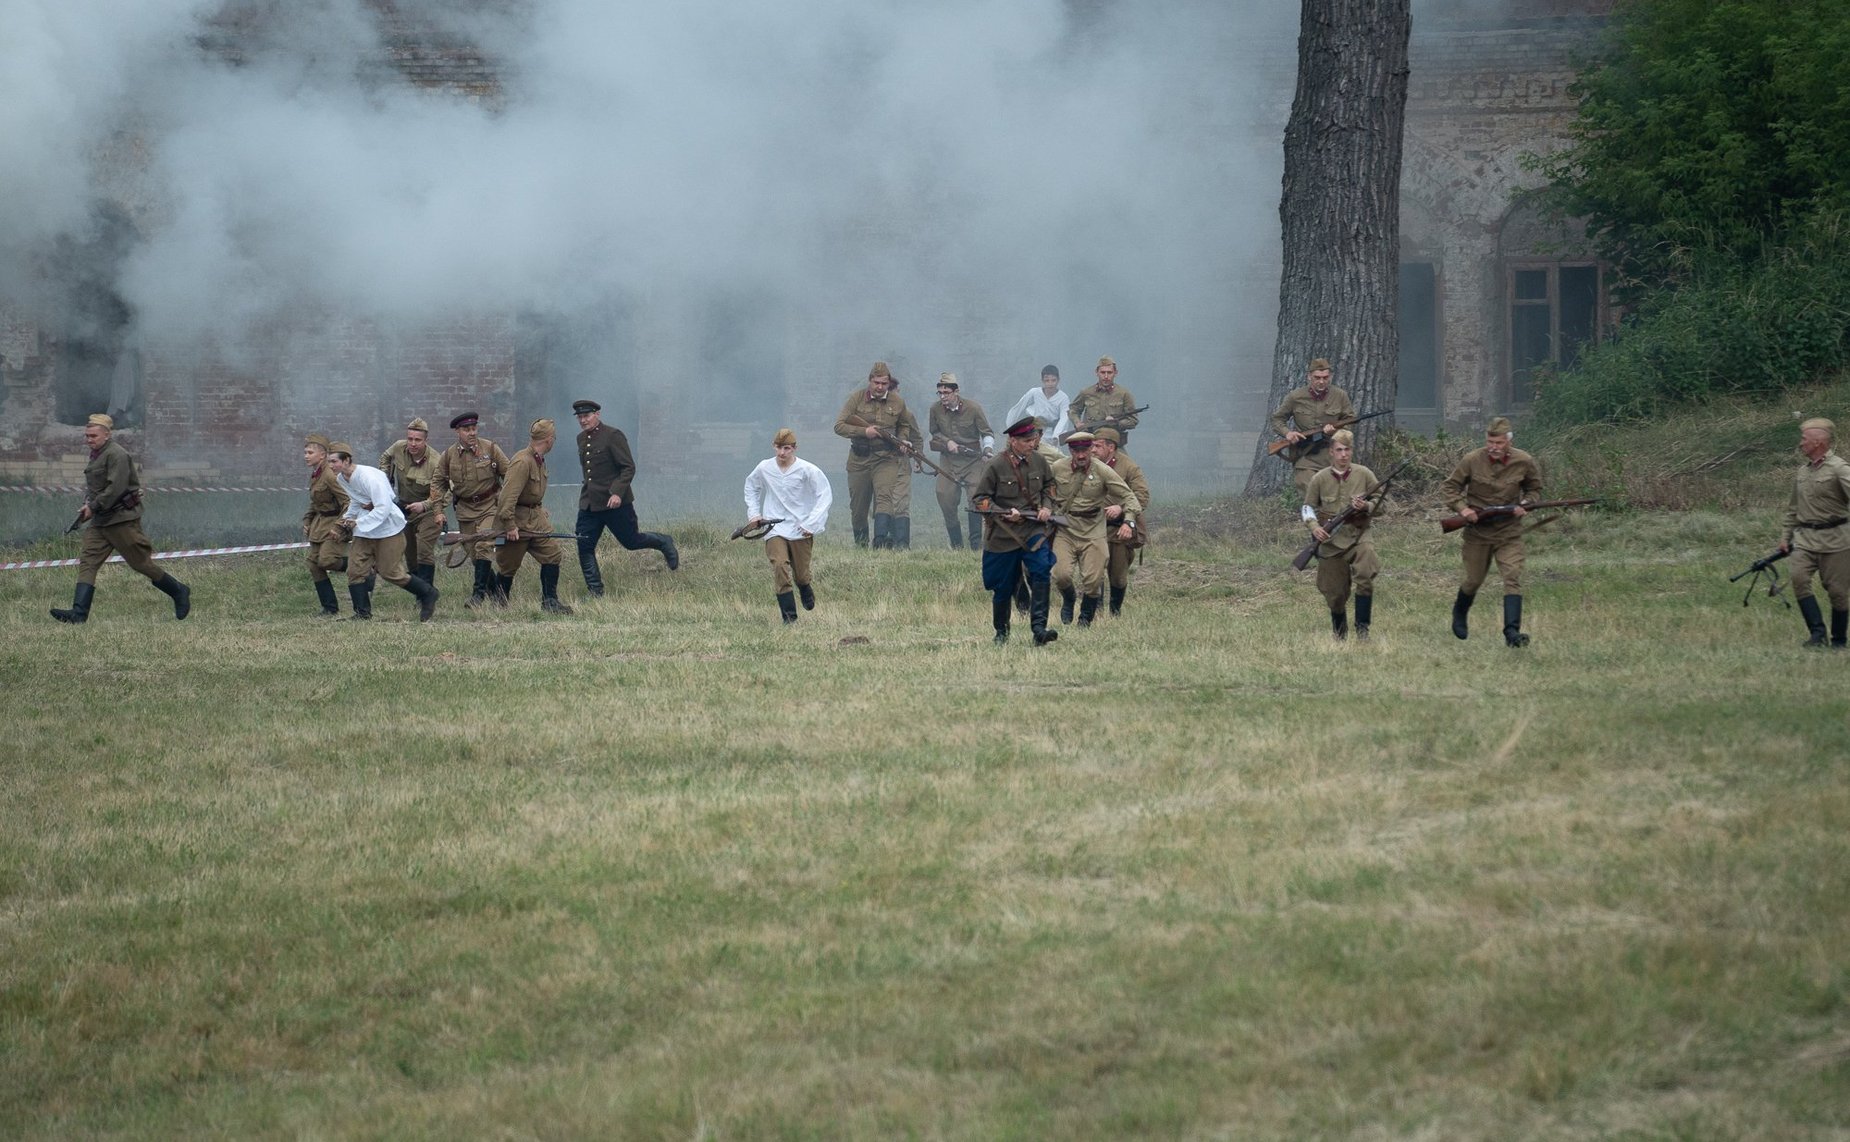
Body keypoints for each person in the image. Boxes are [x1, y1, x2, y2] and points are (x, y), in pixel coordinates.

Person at [49, 413, 191, 624]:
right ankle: (79, 614)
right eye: (87, 435)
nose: (89, 440)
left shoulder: (117, 455)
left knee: (140, 564)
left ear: (107, 435)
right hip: (101, 521)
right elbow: (97, 486)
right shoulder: (97, 454)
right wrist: (88, 505)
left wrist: (93, 506)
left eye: (93, 436)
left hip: (121, 521)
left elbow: (115, 488)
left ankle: (178, 590)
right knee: (88, 562)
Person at [1439, 415, 1543, 647]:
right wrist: (1463, 510)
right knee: (1473, 580)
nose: (1494, 447)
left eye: (1499, 443)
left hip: (1509, 532)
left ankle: (1512, 633)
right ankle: (1459, 613)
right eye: (1490, 442)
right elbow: (1450, 487)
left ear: (1509, 441)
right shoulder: (1472, 459)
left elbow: (1534, 489)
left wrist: (1525, 504)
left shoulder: (1524, 460)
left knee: (1512, 577)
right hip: (1478, 533)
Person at [571, 398, 680, 597]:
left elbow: (628, 467)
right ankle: (595, 591)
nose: (583, 421)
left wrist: (617, 492)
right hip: (589, 504)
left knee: (631, 541)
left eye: (586, 416)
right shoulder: (581, 439)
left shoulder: (613, 435)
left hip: (615, 503)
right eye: (579, 417)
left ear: (597, 415)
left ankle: (663, 541)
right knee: (584, 545)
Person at [972, 416, 1060, 645]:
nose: (1033, 443)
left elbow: (1050, 487)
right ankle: (1002, 632)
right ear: (1013, 441)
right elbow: (979, 500)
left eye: (1034, 439)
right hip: (1003, 536)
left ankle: (1039, 629)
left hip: (1033, 530)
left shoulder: (1040, 461)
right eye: (1028, 440)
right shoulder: (995, 465)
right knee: (1002, 586)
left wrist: (1046, 507)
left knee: (1042, 570)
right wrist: (1002, 512)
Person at [326, 443, 439, 621]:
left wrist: (357, 522)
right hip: (364, 532)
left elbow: (384, 508)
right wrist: (344, 522)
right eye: (329, 462)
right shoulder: (341, 478)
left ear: (346, 460)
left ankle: (428, 593)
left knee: (390, 572)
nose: (331, 466)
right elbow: (356, 501)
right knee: (355, 570)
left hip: (388, 530)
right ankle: (362, 613)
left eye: (334, 461)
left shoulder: (369, 477)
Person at [1047, 431, 1140, 627]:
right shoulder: (1057, 468)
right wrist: (1046, 508)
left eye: (1085, 450)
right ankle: (1069, 599)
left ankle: (1085, 619)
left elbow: (1130, 497)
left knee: (1093, 579)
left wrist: (1128, 520)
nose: (1081, 455)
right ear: (1070, 450)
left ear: (1091, 449)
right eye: (1076, 450)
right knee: (1060, 574)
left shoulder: (1102, 470)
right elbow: (1043, 491)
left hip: (1094, 530)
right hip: (1066, 528)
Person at [744, 428, 834, 623]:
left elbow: (824, 495)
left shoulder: (808, 470)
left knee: (801, 575)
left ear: (794, 448)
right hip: (774, 527)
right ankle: (789, 617)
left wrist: (812, 522)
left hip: (800, 528)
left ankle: (804, 587)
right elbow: (751, 487)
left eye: (786, 448)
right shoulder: (764, 467)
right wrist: (754, 514)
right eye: (778, 447)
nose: (781, 453)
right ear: (773, 447)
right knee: (779, 565)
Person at [833, 361, 923, 549]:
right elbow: (839, 426)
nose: (880, 387)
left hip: (886, 458)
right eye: (877, 383)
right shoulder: (855, 399)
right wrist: (864, 432)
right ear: (870, 381)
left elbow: (905, 424)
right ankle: (862, 545)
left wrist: (903, 440)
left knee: (885, 498)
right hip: (860, 459)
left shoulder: (897, 401)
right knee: (858, 509)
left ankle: (880, 543)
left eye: (884, 383)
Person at [1777, 417, 1850, 648]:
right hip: (1806, 539)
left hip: (1836, 540)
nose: (1800, 443)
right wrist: (1785, 538)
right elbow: (1793, 509)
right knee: (1799, 579)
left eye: (1804, 439)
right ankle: (1817, 634)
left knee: (1838, 593)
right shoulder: (1802, 472)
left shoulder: (1839, 468)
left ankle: (1839, 640)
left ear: (1818, 442)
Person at [1301, 429, 1380, 640]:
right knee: (1334, 595)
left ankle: (1362, 630)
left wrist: (1366, 506)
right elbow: (1307, 507)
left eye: (1347, 449)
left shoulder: (1364, 474)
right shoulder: (1319, 479)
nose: (1343, 454)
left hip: (1358, 535)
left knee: (1365, 574)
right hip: (1330, 542)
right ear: (1331, 453)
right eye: (1339, 450)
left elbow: (1383, 504)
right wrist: (1314, 527)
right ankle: (1340, 632)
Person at [494, 418, 573, 614]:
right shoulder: (523, 461)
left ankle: (550, 602)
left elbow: (530, 491)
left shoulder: (537, 460)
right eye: (553, 438)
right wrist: (510, 525)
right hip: (517, 524)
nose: (553, 441)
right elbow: (507, 498)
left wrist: (538, 508)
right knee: (508, 566)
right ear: (548, 439)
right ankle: (498, 604)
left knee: (552, 554)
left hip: (534, 521)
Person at [434, 411, 509, 607]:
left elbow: (510, 475)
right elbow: (437, 484)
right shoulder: (449, 455)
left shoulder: (491, 449)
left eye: (474, 428)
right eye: (467, 429)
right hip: (465, 510)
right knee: (474, 555)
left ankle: (478, 596)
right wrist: (438, 510)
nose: (472, 432)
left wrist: (508, 503)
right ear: (458, 431)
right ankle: (499, 595)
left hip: (490, 507)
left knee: (483, 545)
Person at [1269, 358, 1357, 496]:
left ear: (1330, 377)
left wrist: (1336, 432)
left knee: (1338, 492)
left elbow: (1349, 424)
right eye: (1317, 377)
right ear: (1309, 376)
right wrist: (1288, 434)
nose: (1321, 381)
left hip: (1333, 454)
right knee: (1309, 488)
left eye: (1325, 377)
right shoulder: (1295, 396)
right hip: (1306, 454)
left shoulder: (1340, 396)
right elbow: (1277, 419)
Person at [927, 373, 994, 550]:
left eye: (946, 392)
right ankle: (957, 544)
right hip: (949, 460)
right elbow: (934, 432)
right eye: (939, 393)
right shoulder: (935, 409)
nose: (942, 397)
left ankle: (975, 545)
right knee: (944, 496)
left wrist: (988, 450)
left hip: (973, 460)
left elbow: (987, 433)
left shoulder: (974, 408)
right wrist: (947, 442)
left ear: (956, 391)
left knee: (976, 498)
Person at [1091, 428, 1149, 617]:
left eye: (1097, 446)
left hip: (1119, 530)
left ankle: (1115, 612)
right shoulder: (1089, 465)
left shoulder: (1129, 467)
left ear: (1111, 447)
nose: (1092, 450)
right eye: (1092, 445)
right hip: (1093, 528)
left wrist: (1121, 509)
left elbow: (1142, 497)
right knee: (1094, 571)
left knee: (1117, 576)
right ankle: (1095, 612)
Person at [379, 417, 443, 585]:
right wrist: (385, 479)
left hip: (428, 510)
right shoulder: (399, 447)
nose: (413, 443)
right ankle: (419, 590)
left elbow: (444, 492)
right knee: (409, 552)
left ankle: (427, 591)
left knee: (424, 549)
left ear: (425, 441)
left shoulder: (435, 462)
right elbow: (385, 457)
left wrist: (425, 505)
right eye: (410, 439)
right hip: (405, 508)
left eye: (418, 440)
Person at [302, 431, 351, 617]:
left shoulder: (330, 475)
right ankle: (330, 608)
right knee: (314, 564)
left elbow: (348, 501)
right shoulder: (316, 475)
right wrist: (307, 520)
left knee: (327, 560)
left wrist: (340, 526)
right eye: (305, 452)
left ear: (322, 455)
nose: (306, 456)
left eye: (310, 452)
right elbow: (315, 502)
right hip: (319, 524)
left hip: (334, 524)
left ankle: (363, 567)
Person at [1068, 356, 1141, 447]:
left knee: (1125, 461)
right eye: (1103, 372)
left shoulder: (1124, 394)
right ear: (1096, 372)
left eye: (1109, 372)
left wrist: (1117, 423)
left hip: (1113, 443)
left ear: (1115, 373)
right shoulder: (1086, 392)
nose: (1106, 376)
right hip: (1090, 441)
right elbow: (1073, 410)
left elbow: (1133, 420)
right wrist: (1077, 422)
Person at [1005, 365, 1073, 440]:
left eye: (1053, 380)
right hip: (1033, 430)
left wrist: (1056, 436)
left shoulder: (1063, 398)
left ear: (1058, 380)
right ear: (1042, 380)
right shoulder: (1034, 392)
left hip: (1051, 433)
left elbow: (1064, 418)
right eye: (1047, 380)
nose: (1050, 384)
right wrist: (1010, 428)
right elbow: (1019, 407)